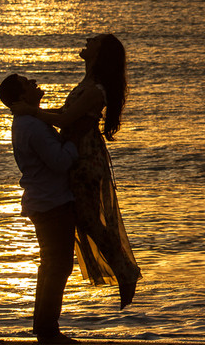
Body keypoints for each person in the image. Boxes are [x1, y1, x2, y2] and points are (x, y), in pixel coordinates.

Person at [16, 34, 141, 310]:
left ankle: (125, 270)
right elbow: (64, 113)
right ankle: (123, 270)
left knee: (88, 218)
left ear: (101, 52)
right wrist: (33, 112)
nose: (88, 39)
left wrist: (29, 112)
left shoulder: (95, 90)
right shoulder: (86, 84)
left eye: (94, 40)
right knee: (84, 217)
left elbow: (64, 120)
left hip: (85, 156)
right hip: (77, 152)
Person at [0, 73, 81, 345]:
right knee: (58, 266)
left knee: (51, 265)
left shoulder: (29, 121)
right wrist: (74, 142)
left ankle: (44, 326)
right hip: (51, 201)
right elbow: (59, 162)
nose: (33, 82)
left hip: (43, 200)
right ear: (22, 96)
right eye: (27, 83)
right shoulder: (32, 126)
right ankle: (48, 329)